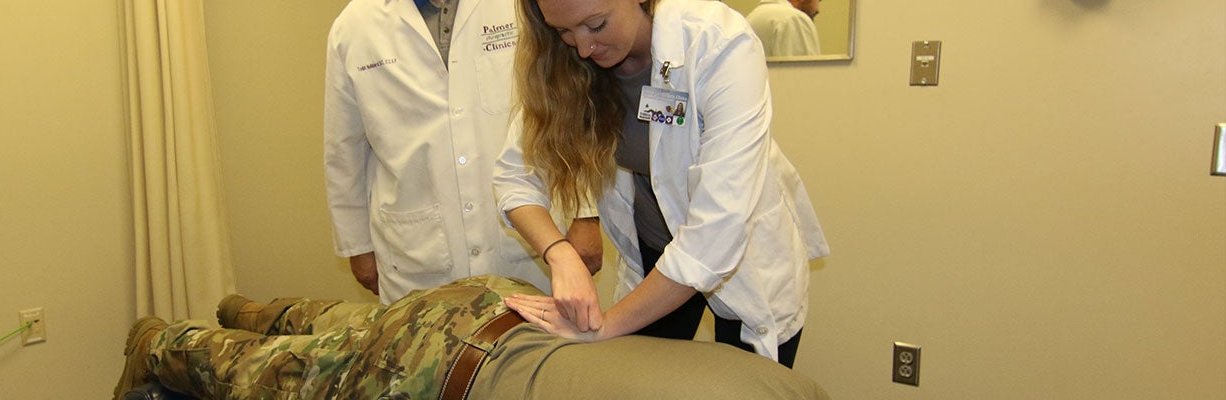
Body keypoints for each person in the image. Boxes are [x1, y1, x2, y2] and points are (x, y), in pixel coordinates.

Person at [493, 0, 830, 367]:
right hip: (654, 252)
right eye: (564, 31)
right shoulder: (567, 63)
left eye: (595, 24)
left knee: (751, 385)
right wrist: (560, 254)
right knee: (641, 381)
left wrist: (604, 326)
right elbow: (513, 178)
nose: (583, 47)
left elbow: (713, 236)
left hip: (744, 259)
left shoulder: (719, 45)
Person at [323, 0, 601, 304]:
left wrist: (586, 211)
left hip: (528, 247)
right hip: (417, 260)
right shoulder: (354, 28)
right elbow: (344, 150)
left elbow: (574, 103)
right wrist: (357, 248)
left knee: (536, 367)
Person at [111, 275, 832, 400]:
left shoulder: (797, 388)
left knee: (355, 327)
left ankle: (254, 307)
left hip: (497, 304)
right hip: (436, 373)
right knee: (271, 378)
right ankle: (160, 338)